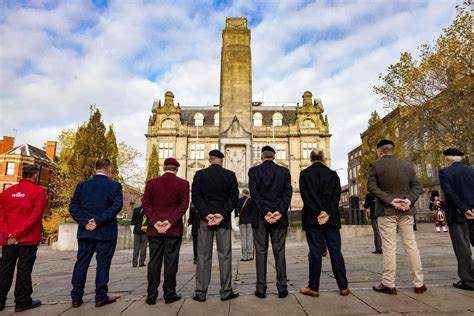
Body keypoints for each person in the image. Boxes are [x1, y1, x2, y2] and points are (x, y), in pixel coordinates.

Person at [368, 139, 426, 295]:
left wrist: (390, 200)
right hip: (406, 210)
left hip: (387, 212)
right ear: (392, 150)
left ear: (380, 151)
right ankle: (419, 283)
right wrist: (408, 200)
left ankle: (389, 284)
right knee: (411, 246)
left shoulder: (375, 165)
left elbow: (372, 187)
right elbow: (418, 186)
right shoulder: (407, 165)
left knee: (389, 247)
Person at [69, 159, 123, 308]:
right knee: (103, 264)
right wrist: (98, 221)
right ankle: (100, 296)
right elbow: (116, 206)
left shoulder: (82, 186)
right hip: (105, 231)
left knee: (81, 263)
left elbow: (73, 207)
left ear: (95, 169)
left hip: (86, 231)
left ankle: (76, 297)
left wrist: (86, 222)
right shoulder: (115, 186)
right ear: (109, 168)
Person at [299, 150, 350, 297]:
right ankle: (343, 287)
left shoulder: (305, 174)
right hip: (331, 219)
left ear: (310, 159)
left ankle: (313, 287)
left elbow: (306, 197)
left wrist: (317, 213)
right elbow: (336, 196)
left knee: (315, 251)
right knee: (335, 251)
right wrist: (327, 213)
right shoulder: (333, 175)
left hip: (312, 219)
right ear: (324, 158)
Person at [192, 149, 239, 302]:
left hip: (205, 221)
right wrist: (222, 214)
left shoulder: (199, 175)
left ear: (209, 159)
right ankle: (226, 291)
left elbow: (196, 198)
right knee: (224, 255)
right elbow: (233, 199)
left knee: (203, 256)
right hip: (223, 221)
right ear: (221, 159)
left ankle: (201, 292)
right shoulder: (230, 175)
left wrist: (207, 214)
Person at [142, 157, 189, 305]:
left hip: (155, 230)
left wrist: (156, 222)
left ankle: (151, 295)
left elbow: (146, 204)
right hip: (173, 231)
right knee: (171, 263)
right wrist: (169, 222)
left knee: (154, 262)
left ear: (164, 168)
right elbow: (183, 206)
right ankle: (169, 294)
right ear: (176, 169)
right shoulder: (183, 184)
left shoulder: (151, 183)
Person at [0, 165, 46, 312]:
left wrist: (8, 234)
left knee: (5, 269)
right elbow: (36, 215)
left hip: (9, 239)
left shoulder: (7, 192)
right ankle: (22, 301)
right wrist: (18, 234)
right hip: (28, 238)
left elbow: (1, 216)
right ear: (35, 175)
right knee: (24, 269)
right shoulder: (38, 191)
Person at [249, 145, 292, 299]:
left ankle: (261, 289)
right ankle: (282, 288)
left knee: (261, 252)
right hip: (279, 219)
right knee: (279, 252)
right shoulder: (284, 172)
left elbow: (254, 194)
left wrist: (265, 212)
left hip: (261, 218)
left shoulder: (254, 171)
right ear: (274, 157)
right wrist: (279, 212)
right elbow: (288, 193)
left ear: (262, 157)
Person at [438, 148, 474, 291]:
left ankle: (468, 281)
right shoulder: (471, 171)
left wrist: (464, 209)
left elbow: (450, 194)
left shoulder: (445, 173)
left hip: (457, 214)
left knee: (462, 248)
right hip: (473, 213)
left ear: (448, 159)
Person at [235, 189, 254, 261]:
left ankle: (244, 256)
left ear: (243, 193)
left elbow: (236, 211)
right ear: (248, 194)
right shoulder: (251, 201)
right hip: (250, 222)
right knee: (250, 239)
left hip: (242, 221)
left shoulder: (239, 201)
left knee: (243, 239)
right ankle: (250, 255)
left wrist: (237, 217)